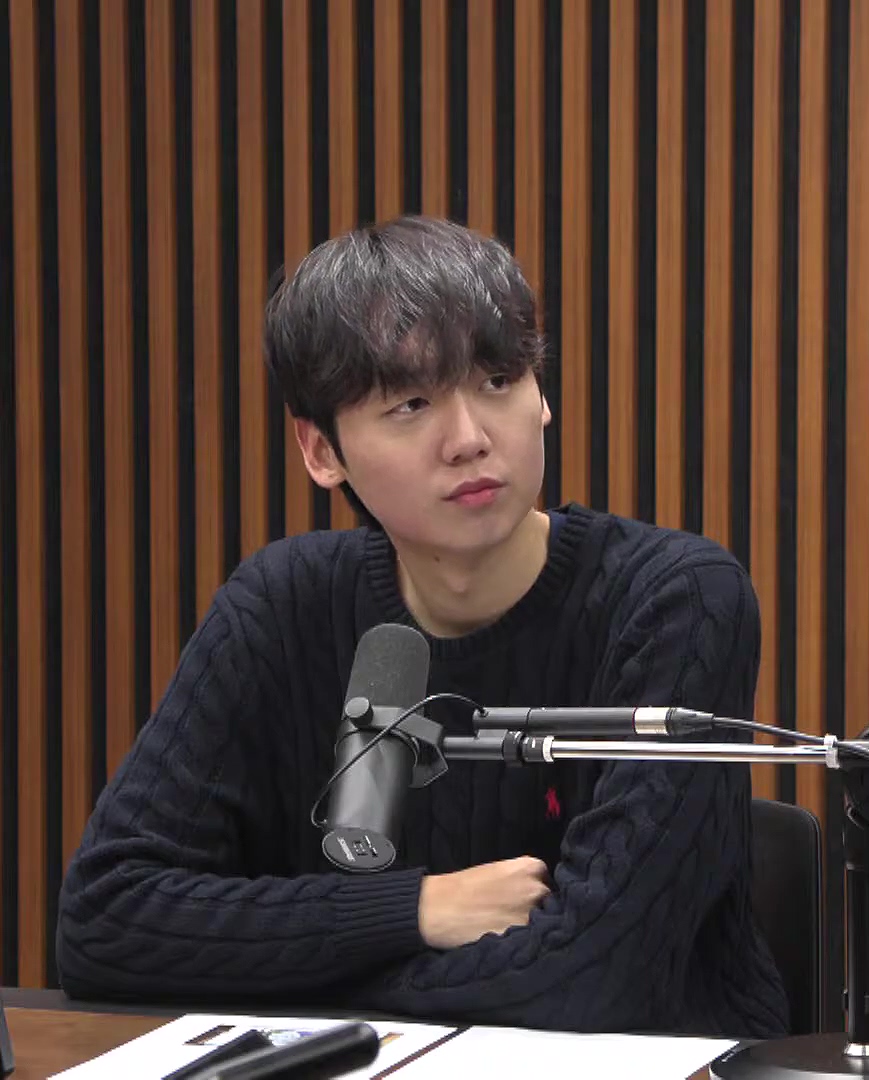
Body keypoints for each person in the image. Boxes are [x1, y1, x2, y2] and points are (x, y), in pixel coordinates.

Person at [55, 216, 788, 1037]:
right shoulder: (282, 604)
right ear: (321, 452)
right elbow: (106, 919)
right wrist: (416, 910)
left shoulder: (674, 600)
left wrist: (303, 974)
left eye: (499, 381)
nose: (470, 439)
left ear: (541, 396)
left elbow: (592, 978)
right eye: (411, 404)